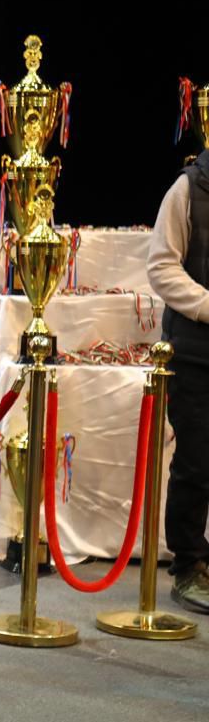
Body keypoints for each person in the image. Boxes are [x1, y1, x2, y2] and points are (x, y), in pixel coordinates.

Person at [147, 145, 209, 614]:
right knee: (196, 464)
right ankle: (188, 566)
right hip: (196, 354)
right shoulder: (188, 188)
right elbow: (162, 268)